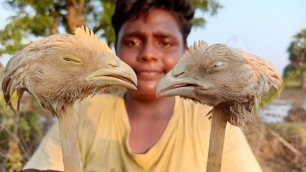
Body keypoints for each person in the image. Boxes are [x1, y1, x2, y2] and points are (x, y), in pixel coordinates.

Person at [23, 0, 262, 171]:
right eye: (133, 41)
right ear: (115, 51)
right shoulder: (83, 113)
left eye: (165, 42)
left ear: (185, 54)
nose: (148, 54)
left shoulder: (213, 123)